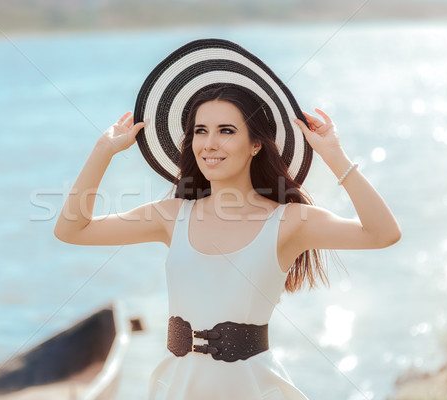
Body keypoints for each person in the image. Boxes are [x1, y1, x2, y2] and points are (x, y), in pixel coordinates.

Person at [54, 41, 402, 399]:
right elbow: (71, 229)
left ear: (256, 144)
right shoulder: (172, 216)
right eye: (200, 131)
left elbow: (383, 233)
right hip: (176, 388)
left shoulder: (289, 222)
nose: (209, 143)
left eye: (227, 131)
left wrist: (334, 155)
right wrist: (103, 150)